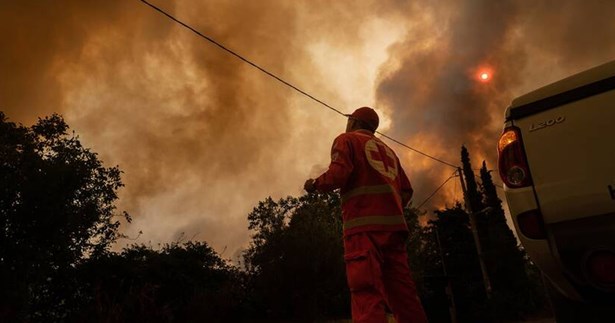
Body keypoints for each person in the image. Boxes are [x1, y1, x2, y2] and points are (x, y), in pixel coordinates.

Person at [304, 107, 428, 323]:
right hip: (394, 232)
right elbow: (407, 190)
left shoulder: (347, 140)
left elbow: (338, 174)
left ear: (353, 122)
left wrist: (315, 185)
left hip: (363, 229)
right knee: (404, 296)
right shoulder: (389, 151)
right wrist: (389, 207)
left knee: (366, 291)